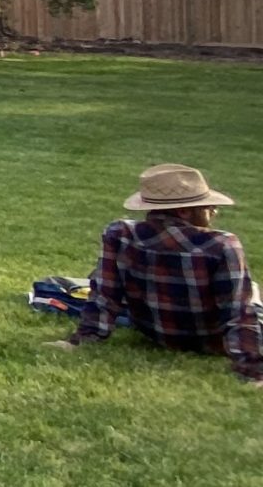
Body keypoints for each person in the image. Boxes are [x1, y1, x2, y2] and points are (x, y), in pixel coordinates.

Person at [55, 164, 263, 385]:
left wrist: (81, 340)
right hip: (211, 340)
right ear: (184, 211)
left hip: (155, 333)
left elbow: (105, 294)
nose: (213, 212)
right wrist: (253, 369)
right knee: (254, 291)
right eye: (208, 207)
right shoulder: (221, 245)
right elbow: (239, 312)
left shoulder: (120, 234)